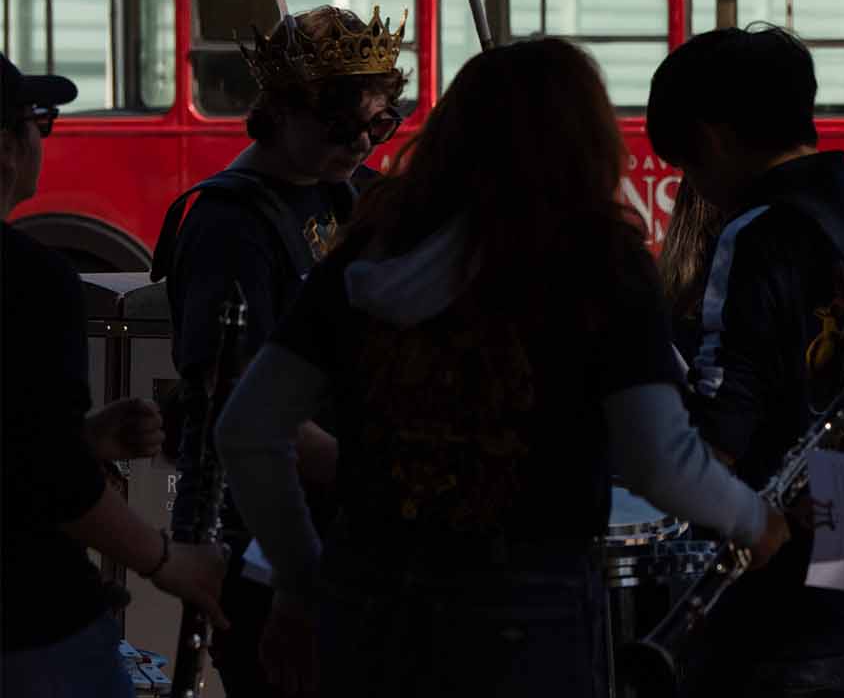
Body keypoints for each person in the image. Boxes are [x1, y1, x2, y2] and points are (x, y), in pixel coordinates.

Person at [217, 35, 785, 697]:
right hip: (524, 610)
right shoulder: (598, 263)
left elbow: (247, 429)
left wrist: (300, 573)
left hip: (368, 598)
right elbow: (658, 458)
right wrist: (754, 520)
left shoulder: (367, 252)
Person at [646, 26, 844, 698]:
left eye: (689, 168)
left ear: (710, 139)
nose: (698, 189)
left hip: (807, 613)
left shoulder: (757, 234)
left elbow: (720, 443)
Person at [152, 3, 405, 697]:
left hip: (343, 520)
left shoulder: (353, 193)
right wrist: (385, 480)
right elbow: (247, 407)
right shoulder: (231, 226)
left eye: (380, 124)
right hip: (265, 536)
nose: (360, 146)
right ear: (283, 109)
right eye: (341, 126)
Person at [2, 54, 227, 698]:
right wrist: (171, 563)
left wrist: (85, 436)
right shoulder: (32, 281)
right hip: (29, 624)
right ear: (5, 146)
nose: (42, 139)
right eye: (37, 122)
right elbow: (54, 482)